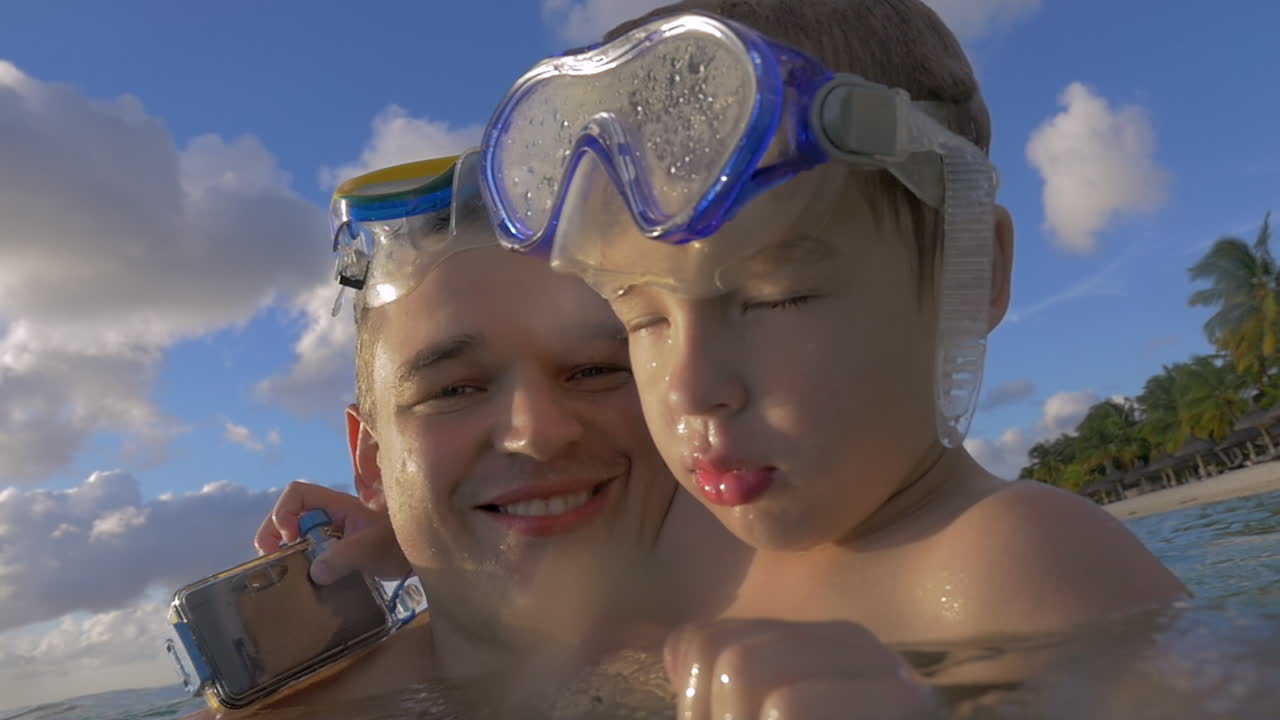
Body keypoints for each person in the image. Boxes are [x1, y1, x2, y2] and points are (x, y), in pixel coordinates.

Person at [475, 1, 1190, 717]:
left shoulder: (1012, 561)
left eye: (775, 297)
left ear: (972, 273)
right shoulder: (693, 550)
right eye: (643, 317)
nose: (691, 388)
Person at [185, 152, 751, 719]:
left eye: (597, 370)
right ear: (372, 462)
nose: (539, 433)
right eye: (454, 390)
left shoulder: (811, 635)